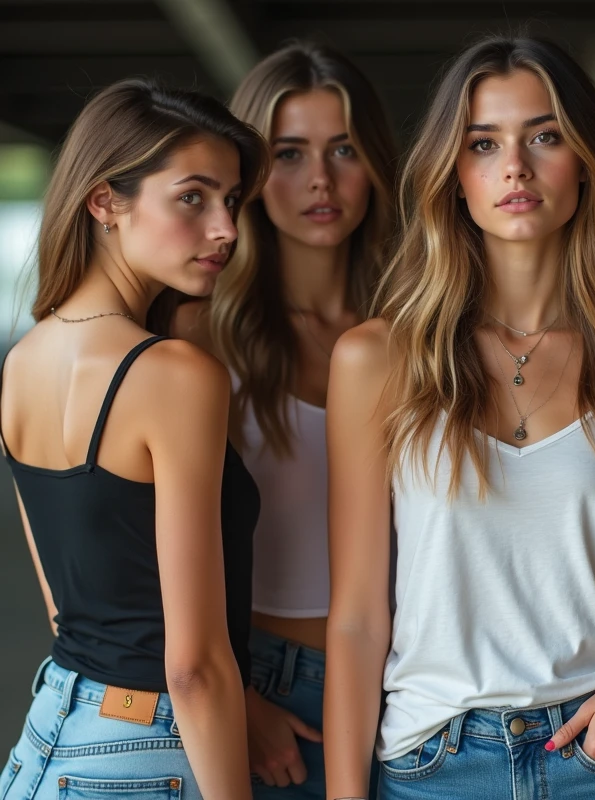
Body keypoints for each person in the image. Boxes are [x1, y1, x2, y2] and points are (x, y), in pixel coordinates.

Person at [322, 35, 595, 800]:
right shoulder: (378, 360)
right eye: (483, 143)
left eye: (545, 137)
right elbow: (360, 618)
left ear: (587, 162)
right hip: (435, 760)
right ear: (453, 175)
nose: (515, 167)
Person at [0, 78, 268, 799]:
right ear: (105, 201)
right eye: (193, 197)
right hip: (143, 753)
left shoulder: (22, 361)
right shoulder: (174, 374)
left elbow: (66, 605)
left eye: (232, 201)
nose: (227, 229)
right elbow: (194, 664)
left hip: (47, 736)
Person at [171, 41, 398, 798]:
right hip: (265, 683)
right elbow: (143, 551)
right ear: (251, 174)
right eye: (289, 154)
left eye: (343, 149)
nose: (321, 181)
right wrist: (240, 698)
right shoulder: (201, 336)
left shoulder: (421, 332)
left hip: (412, 683)